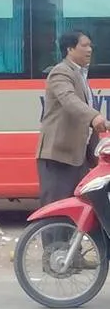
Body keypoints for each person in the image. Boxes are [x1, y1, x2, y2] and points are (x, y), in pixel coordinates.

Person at [36, 30, 106, 269]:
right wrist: (95, 117)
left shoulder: (80, 74)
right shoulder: (61, 73)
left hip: (78, 156)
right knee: (56, 209)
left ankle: (71, 257)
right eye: (84, 45)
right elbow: (70, 101)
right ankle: (52, 260)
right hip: (59, 154)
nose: (90, 49)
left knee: (78, 209)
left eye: (90, 45)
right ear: (69, 49)